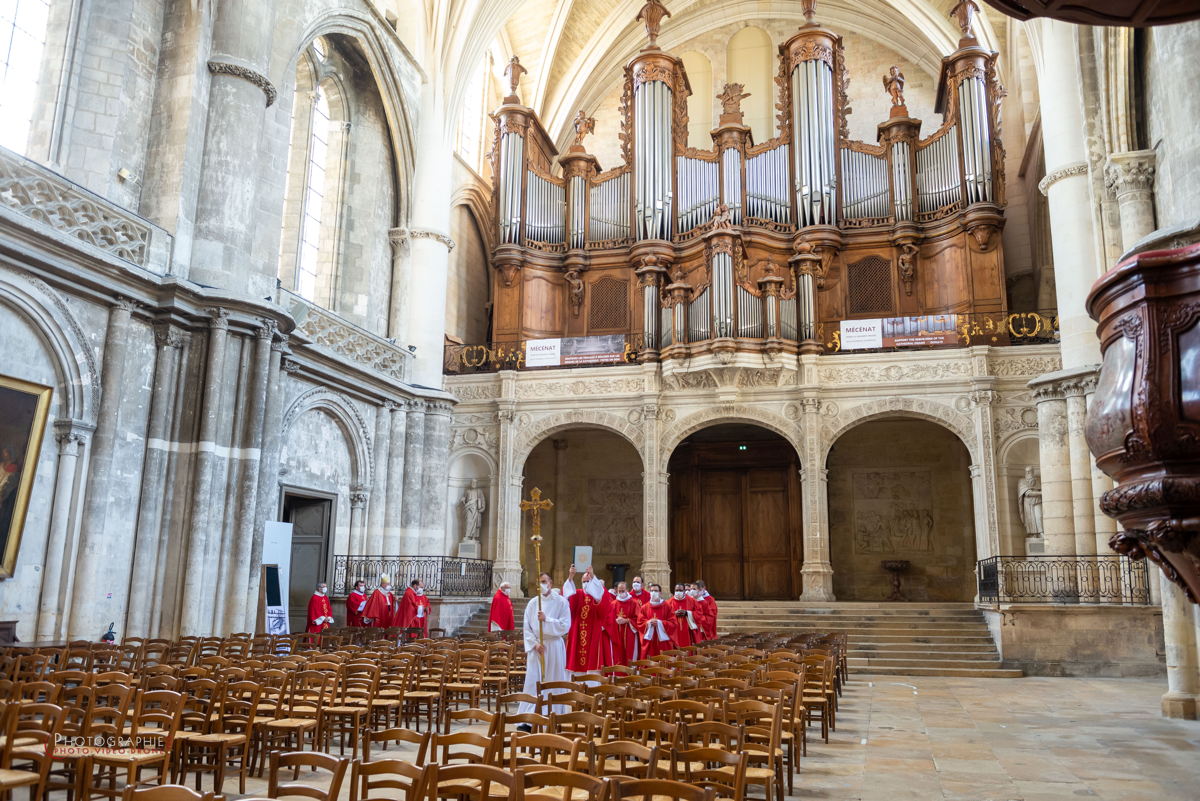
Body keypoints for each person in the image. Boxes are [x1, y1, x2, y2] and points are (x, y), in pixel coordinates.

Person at [518, 572, 572, 722]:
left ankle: (553, 714)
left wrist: (547, 619)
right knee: (534, 680)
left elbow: (565, 626)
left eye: (544, 581)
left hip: (553, 646)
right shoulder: (533, 603)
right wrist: (534, 644)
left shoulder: (561, 602)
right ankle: (529, 716)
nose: (541, 585)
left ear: (551, 583)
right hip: (537, 647)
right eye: (539, 582)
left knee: (553, 680)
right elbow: (526, 627)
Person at [563, 564, 623, 672]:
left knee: (593, 664)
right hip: (578, 632)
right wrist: (571, 577)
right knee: (576, 668)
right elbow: (565, 600)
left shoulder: (598, 594)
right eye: (584, 582)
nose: (586, 584)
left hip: (593, 632)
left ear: (593, 582)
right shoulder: (577, 594)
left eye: (588, 581)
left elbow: (607, 609)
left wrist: (592, 574)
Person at [637, 583, 675, 658]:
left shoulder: (667, 606)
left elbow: (673, 623)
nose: (653, 593)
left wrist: (660, 623)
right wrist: (648, 623)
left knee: (664, 661)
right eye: (651, 591)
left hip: (663, 641)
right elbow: (639, 623)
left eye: (656, 591)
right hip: (650, 641)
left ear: (660, 593)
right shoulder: (644, 607)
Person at [611, 581, 641, 662]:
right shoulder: (613, 604)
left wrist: (627, 620)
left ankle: (630, 673)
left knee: (629, 655)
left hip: (629, 633)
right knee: (617, 655)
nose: (621, 593)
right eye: (619, 591)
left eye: (623, 591)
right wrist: (615, 621)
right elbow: (609, 619)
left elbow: (639, 619)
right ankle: (618, 673)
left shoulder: (634, 603)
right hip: (616, 633)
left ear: (627, 590)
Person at [664, 583, 699, 648]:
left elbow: (699, 614)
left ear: (684, 591)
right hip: (674, 632)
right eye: (676, 590)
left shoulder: (692, 601)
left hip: (688, 631)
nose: (678, 592)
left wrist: (687, 613)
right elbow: (664, 617)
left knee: (687, 649)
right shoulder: (668, 603)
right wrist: (674, 614)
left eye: (680, 590)